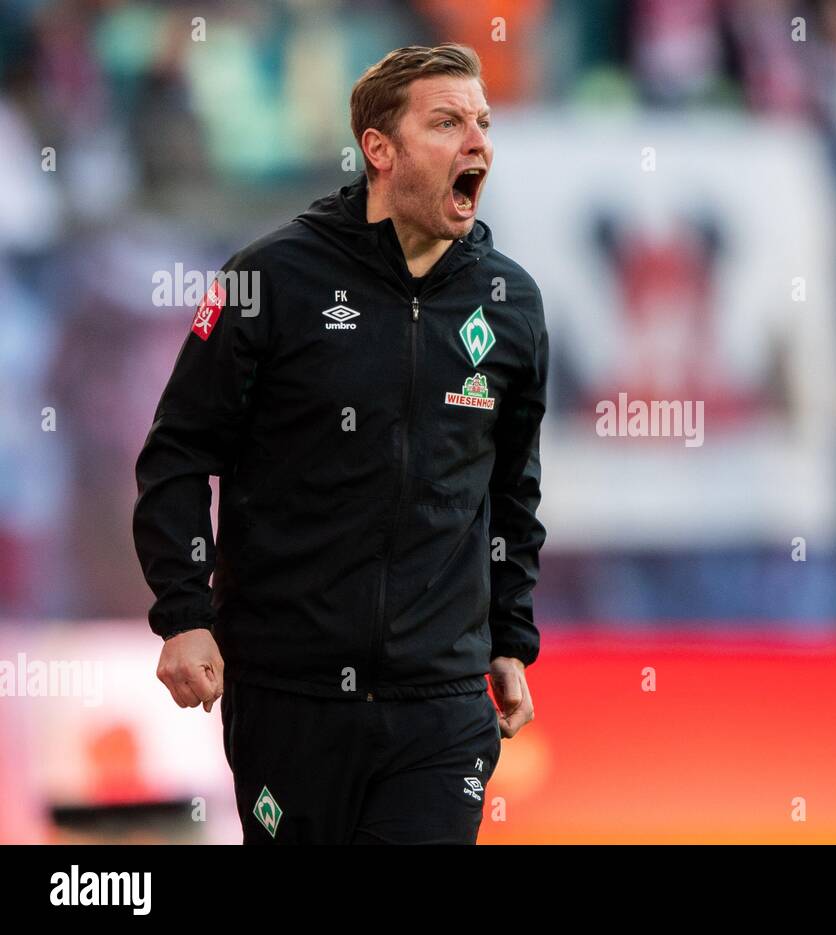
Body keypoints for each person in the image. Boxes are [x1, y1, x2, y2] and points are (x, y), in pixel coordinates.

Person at [131, 44, 548, 844]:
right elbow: (179, 452)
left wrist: (509, 639)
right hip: (290, 695)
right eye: (447, 122)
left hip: (442, 704)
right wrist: (183, 612)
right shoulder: (269, 280)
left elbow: (513, 493)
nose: (478, 143)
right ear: (379, 150)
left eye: (483, 124)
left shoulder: (511, 305)